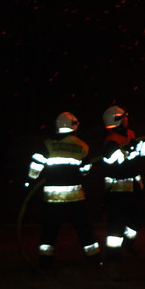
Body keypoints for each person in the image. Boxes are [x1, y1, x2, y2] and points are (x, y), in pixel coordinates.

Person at [25, 111, 102, 268]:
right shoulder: (81, 145)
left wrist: (30, 183)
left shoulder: (47, 144)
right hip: (76, 198)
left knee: (49, 230)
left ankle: (45, 261)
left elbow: (35, 166)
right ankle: (94, 259)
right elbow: (85, 170)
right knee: (84, 229)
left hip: (52, 198)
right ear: (74, 126)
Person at [100, 105, 145, 260]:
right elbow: (113, 160)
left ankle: (127, 242)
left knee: (139, 216)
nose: (127, 119)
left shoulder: (130, 134)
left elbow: (143, 150)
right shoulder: (112, 140)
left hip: (133, 187)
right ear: (117, 120)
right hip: (117, 190)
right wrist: (129, 149)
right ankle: (113, 253)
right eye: (124, 117)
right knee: (116, 223)